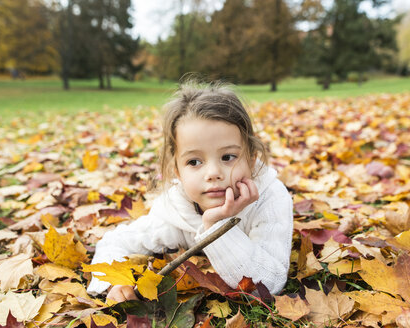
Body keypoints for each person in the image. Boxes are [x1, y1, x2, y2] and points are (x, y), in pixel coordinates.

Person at [86, 81, 293, 301]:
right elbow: (115, 243)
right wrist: (113, 283)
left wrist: (216, 225)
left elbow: (269, 283)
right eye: (194, 161)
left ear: (251, 160)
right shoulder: (177, 213)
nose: (213, 173)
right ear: (177, 171)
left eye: (228, 157)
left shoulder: (269, 200)